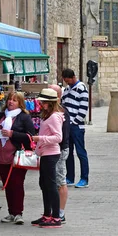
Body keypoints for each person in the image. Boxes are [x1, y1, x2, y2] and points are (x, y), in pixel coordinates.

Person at [0, 91, 36, 224]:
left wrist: (12, 134)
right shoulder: (1, 116)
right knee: (7, 185)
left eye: (14, 100)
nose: (10, 102)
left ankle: (18, 213)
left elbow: (30, 136)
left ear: (20, 103)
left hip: (16, 157)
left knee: (17, 184)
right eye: (9, 99)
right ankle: (11, 212)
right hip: (1, 156)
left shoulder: (24, 117)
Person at [30, 88, 64, 228]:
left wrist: (40, 138)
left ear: (49, 103)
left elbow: (58, 137)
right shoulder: (48, 116)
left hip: (51, 154)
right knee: (44, 185)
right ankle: (47, 214)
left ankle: (56, 217)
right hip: (45, 153)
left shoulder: (55, 116)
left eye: (43, 102)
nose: (41, 104)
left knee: (50, 185)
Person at [61, 68, 90, 188]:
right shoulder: (67, 90)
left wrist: (74, 122)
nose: (67, 83)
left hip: (76, 126)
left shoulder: (82, 89)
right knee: (68, 153)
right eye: (66, 81)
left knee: (80, 152)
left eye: (68, 81)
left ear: (73, 77)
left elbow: (83, 108)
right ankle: (70, 177)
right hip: (67, 126)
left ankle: (84, 179)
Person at [48, 84, 70, 223]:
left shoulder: (62, 112)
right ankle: (53, 210)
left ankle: (60, 212)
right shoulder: (50, 112)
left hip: (59, 150)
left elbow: (63, 135)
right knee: (52, 181)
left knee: (60, 181)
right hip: (51, 150)